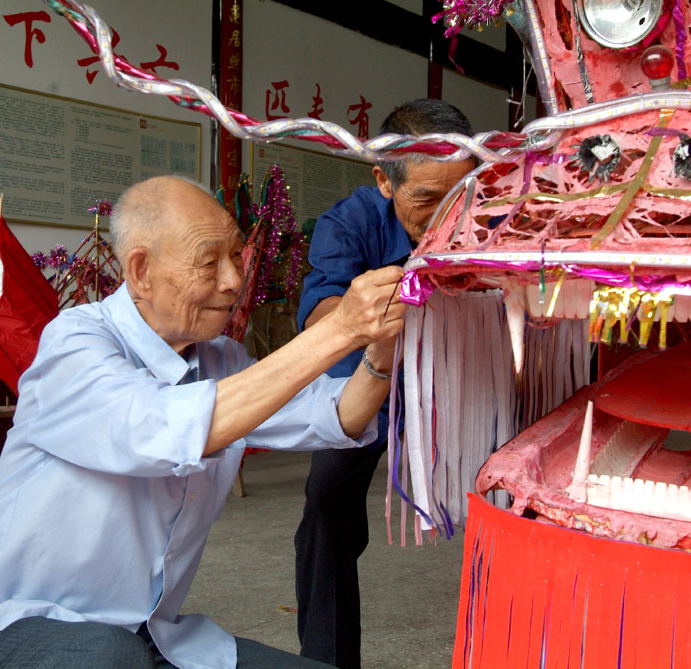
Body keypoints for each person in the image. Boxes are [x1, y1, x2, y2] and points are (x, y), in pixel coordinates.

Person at [0, 175, 406, 669]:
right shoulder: (73, 344)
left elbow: (337, 414)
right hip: (12, 632)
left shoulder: (223, 361)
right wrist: (341, 328)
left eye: (236, 256)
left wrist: (380, 351)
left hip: (149, 640)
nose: (234, 280)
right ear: (141, 271)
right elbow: (163, 428)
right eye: (209, 261)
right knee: (107, 656)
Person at [294, 99, 475, 668]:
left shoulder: (490, 217)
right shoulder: (346, 224)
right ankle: (328, 660)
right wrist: (364, 315)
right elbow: (323, 313)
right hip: (370, 385)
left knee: (517, 498)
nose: (444, 212)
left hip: (463, 380)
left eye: (458, 194)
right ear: (383, 179)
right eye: (425, 198)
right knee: (326, 510)